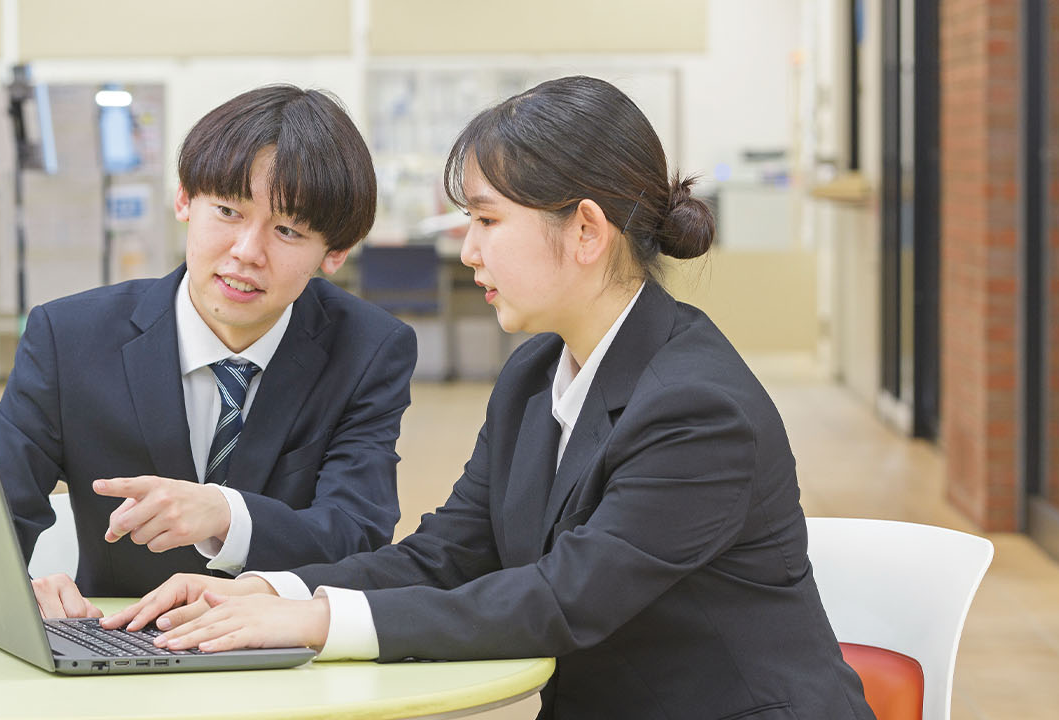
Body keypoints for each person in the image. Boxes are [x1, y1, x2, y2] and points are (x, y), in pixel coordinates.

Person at [105, 76, 877, 720]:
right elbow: (449, 554)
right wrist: (265, 591)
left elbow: (563, 599)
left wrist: (316, 620)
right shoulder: (535, 374)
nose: (468, 249)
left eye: (485, 220)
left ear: (586, 231)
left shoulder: (697, 409)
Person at [0, 85, 415, 625]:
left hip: (286, 652)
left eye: (287, 230)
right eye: (227, 211)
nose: (247, 252)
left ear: (334, 253)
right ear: (183, 201)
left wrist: (227, 515)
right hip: (113, 646)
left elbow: (356, 534)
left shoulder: (367, 350)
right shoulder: (70, 339)